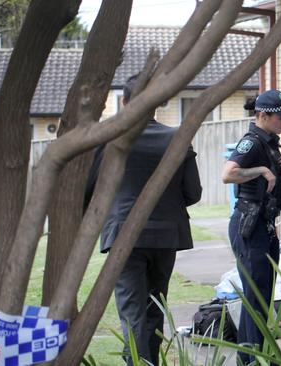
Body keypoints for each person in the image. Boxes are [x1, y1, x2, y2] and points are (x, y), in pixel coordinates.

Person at [85, 74, 202, 365]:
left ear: (124, 102)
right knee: (154, 308)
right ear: (156, 104)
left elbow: (87, 193)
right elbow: (193, 193)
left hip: (122, 236)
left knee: (132, 312)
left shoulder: (108, 140)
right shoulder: (177, 138)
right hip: (165, 237)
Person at [221, 89, 281, 364]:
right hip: (248, 227)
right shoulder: (252, 143)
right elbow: (228, 174)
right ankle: (252, 359)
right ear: (263, 115)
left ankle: (257, 356)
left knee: (263, 298)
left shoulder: (269, 142)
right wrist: (260, 171)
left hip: (263, 226)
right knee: (255, 299)